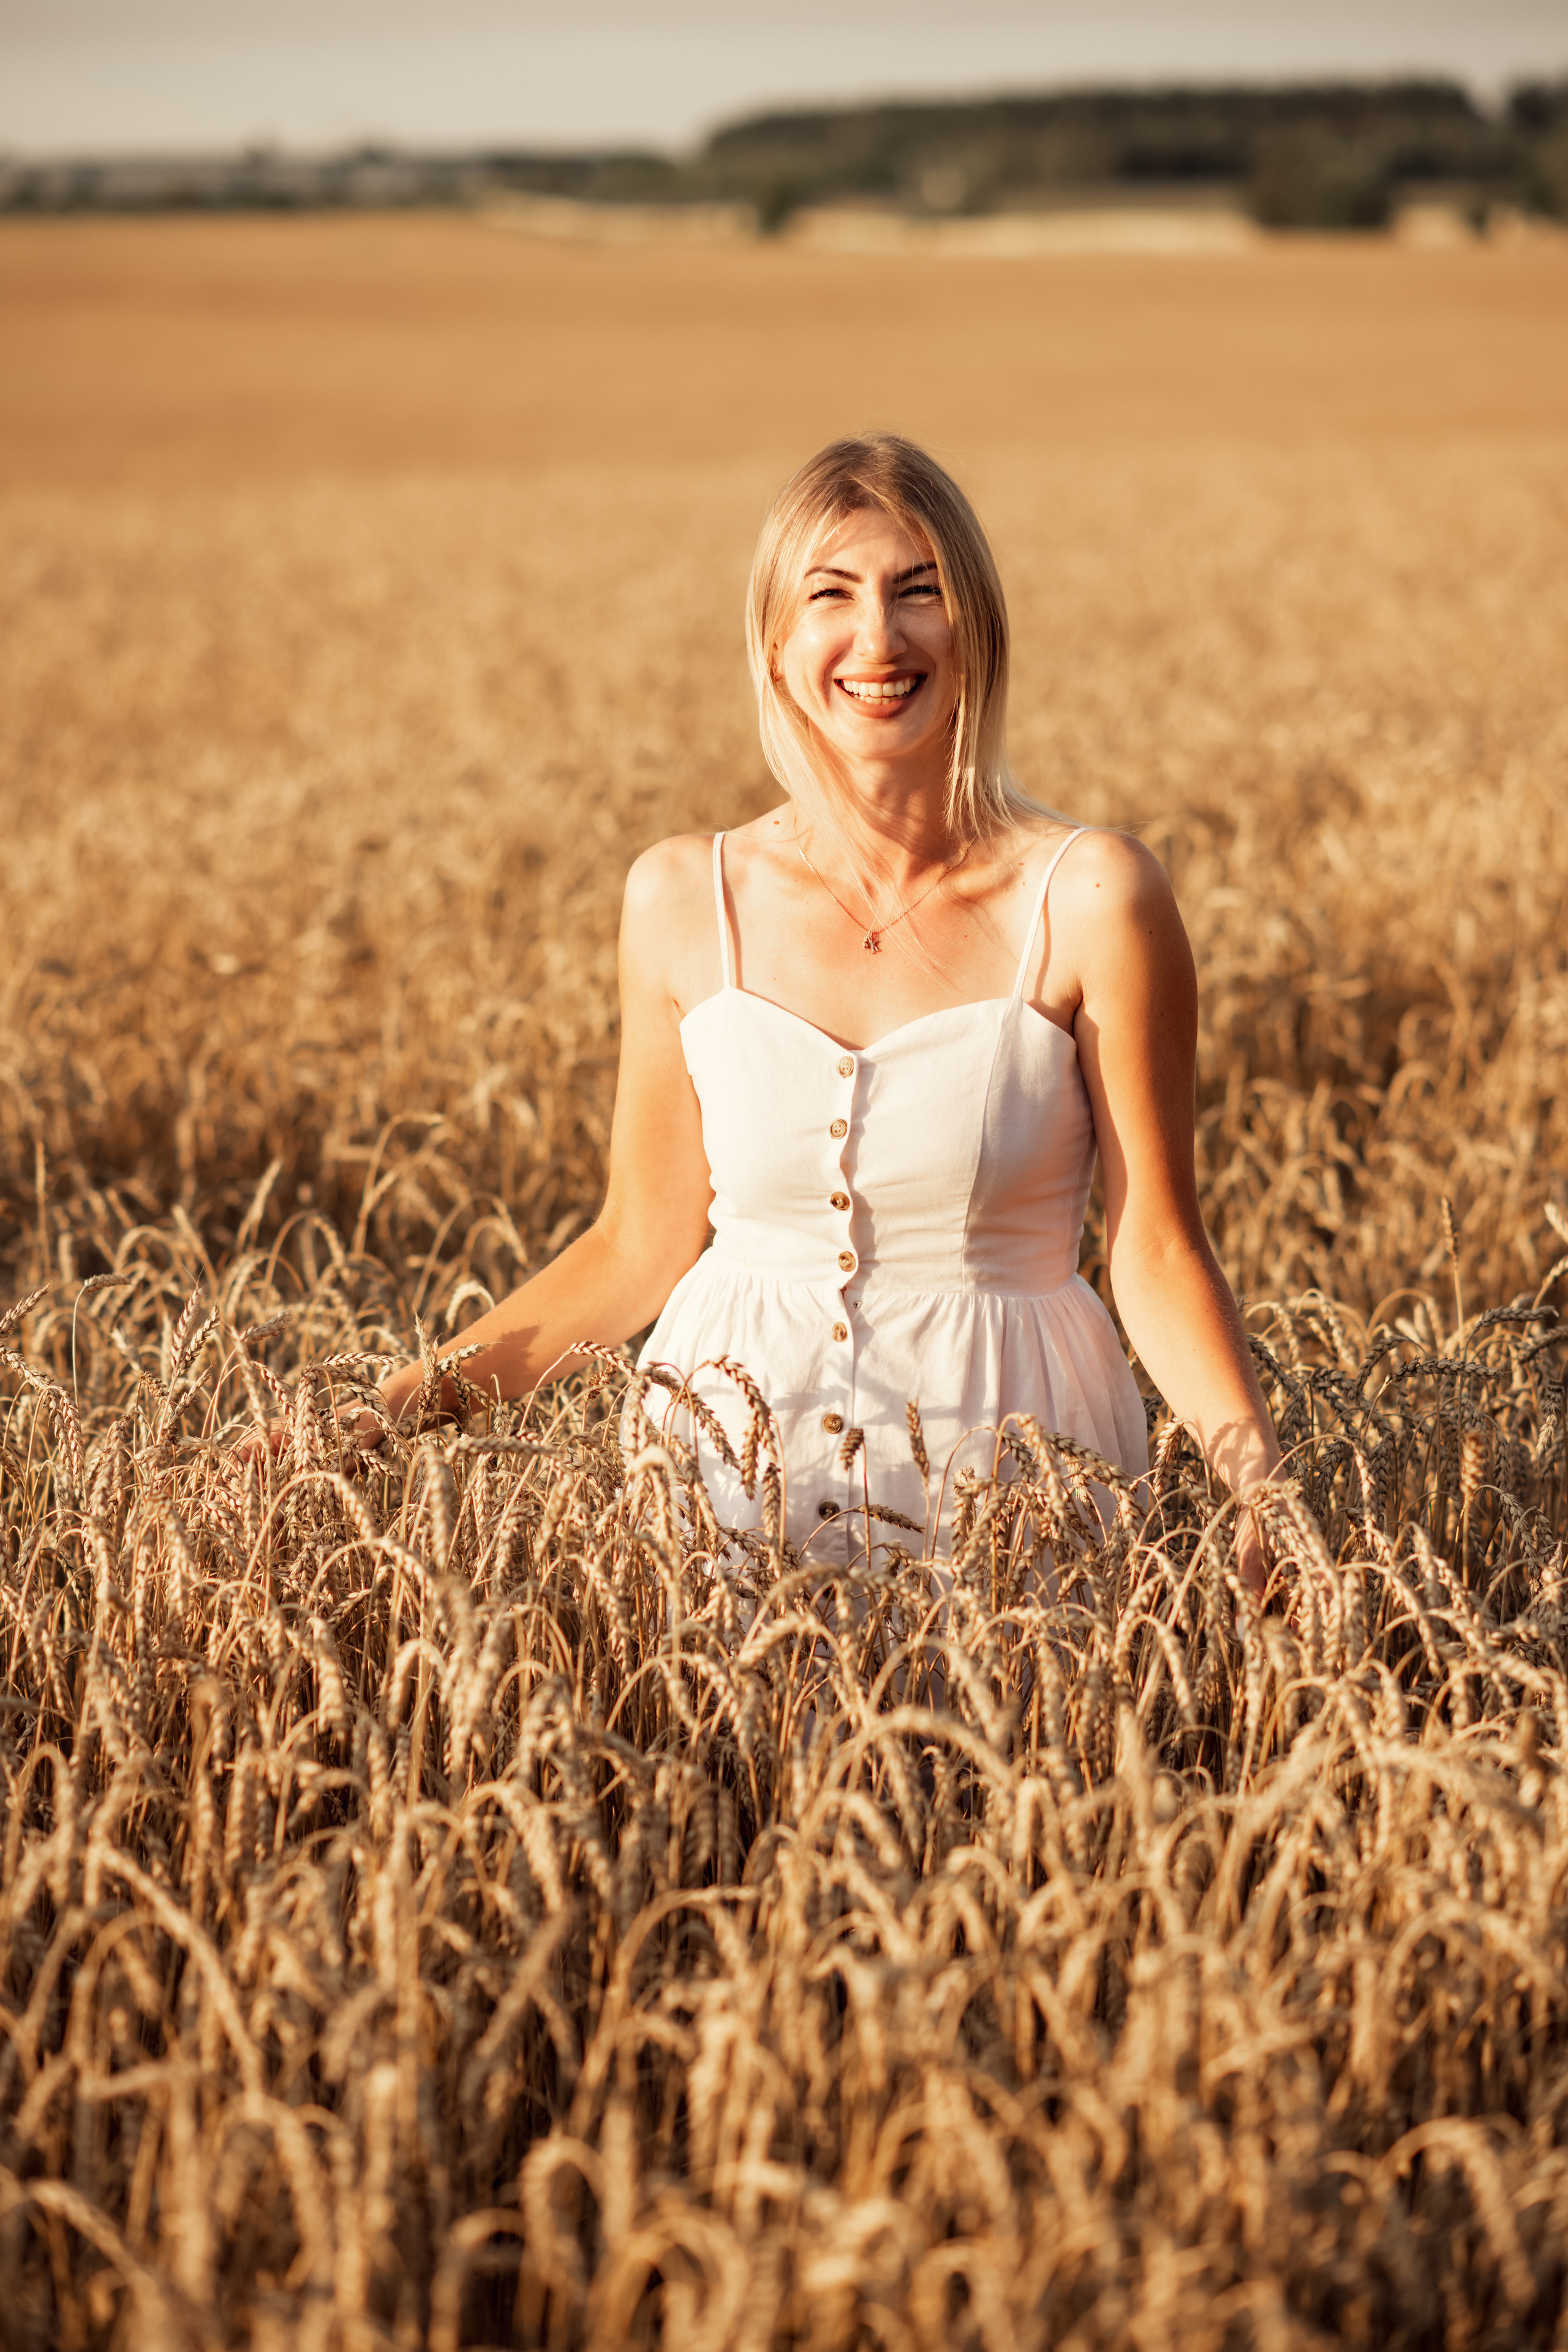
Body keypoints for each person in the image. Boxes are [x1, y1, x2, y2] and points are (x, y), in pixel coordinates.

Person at [366, 434, 1281, 1587]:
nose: (879, 639)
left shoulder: (1093, 898)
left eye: (919, 592)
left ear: (978, 629)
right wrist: (385, 1415)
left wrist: (1266, 1492)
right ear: (775, 643)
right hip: (720, 1483)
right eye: (831, 595)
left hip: (1012, 1494)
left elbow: (1154, 1246)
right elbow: (636, 1246)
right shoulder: (683, 898)